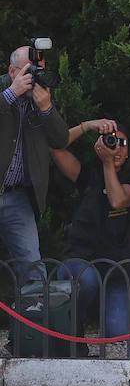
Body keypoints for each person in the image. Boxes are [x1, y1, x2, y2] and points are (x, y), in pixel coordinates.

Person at [53, 120, 130, 338]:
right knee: (86, 280)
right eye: (112, 141)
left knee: (120, 333)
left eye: (123, 142)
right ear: (100, 145)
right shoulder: (88, 176)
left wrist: (107, 164)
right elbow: (55, 146)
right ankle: (74, 324)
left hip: (117, 269)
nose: (118, 147)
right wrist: (89, 126)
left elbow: (118, 200)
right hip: (81, 261)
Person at [2, 44, 69, 284]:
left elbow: (61, 139)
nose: (34, 79)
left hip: (18, 198)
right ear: (12, 71)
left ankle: (32, 319)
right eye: (29, 72)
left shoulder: (39, 97)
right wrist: (11, 93)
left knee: (33, 268)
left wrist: (47, 109)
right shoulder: (4, 89)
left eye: (39, 71)